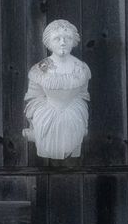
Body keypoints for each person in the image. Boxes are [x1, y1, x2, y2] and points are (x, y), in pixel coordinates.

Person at [21, 18, 91, 160]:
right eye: (57, 39)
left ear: (74, 40)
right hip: (45, 115)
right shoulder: (40, 69)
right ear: (48, 42)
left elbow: (83, 93)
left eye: (67, 38)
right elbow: (34, 95)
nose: (63, 42)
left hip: (74, 114)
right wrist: (38, 116)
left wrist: (77, 113)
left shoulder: (81, 68)